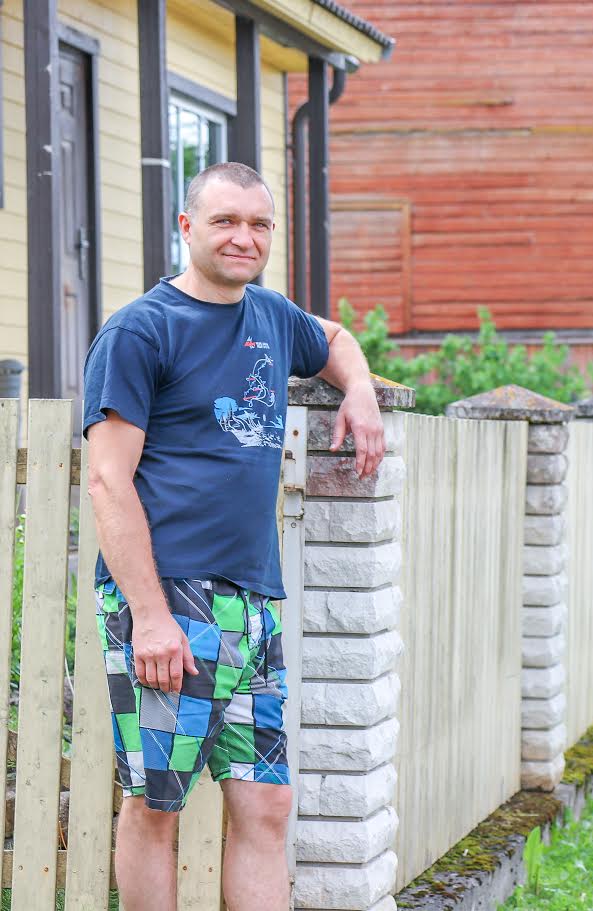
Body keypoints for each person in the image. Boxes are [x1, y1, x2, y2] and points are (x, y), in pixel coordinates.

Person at [83, 161, 385, 911]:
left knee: (266, 804)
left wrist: (362, 389)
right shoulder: (140, 331)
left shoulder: (272, 316)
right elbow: (107, 481)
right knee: (158, 803)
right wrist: (148, 615)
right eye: (225, 221)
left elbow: (337, 336)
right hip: (169, 597)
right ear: (187, 228)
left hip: (254, 601)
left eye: (258, 224)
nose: (243, 237)